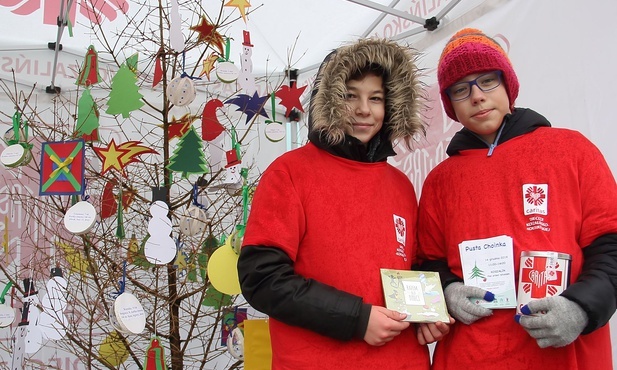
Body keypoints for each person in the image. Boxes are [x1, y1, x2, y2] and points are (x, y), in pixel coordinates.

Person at [237, 38, 452, 370]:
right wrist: (356, 318)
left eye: (376, 98)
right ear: (329, 100)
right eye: (350, 95)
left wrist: (428, 314)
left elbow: (412, 270)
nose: (364, 109)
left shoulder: (401, 185)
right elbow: (263, 278)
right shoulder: (290, 173)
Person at [417, 28, 617, 370]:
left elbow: (610, 244)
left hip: (561, 355)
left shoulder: (572, 150)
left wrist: (581, 308)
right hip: (471, 356)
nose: (477, 96)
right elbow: (427, 263)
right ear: (450, 103)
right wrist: (448, 292)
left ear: (508, 84)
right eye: (461, 89)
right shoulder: (440, 181)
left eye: (487, 81)